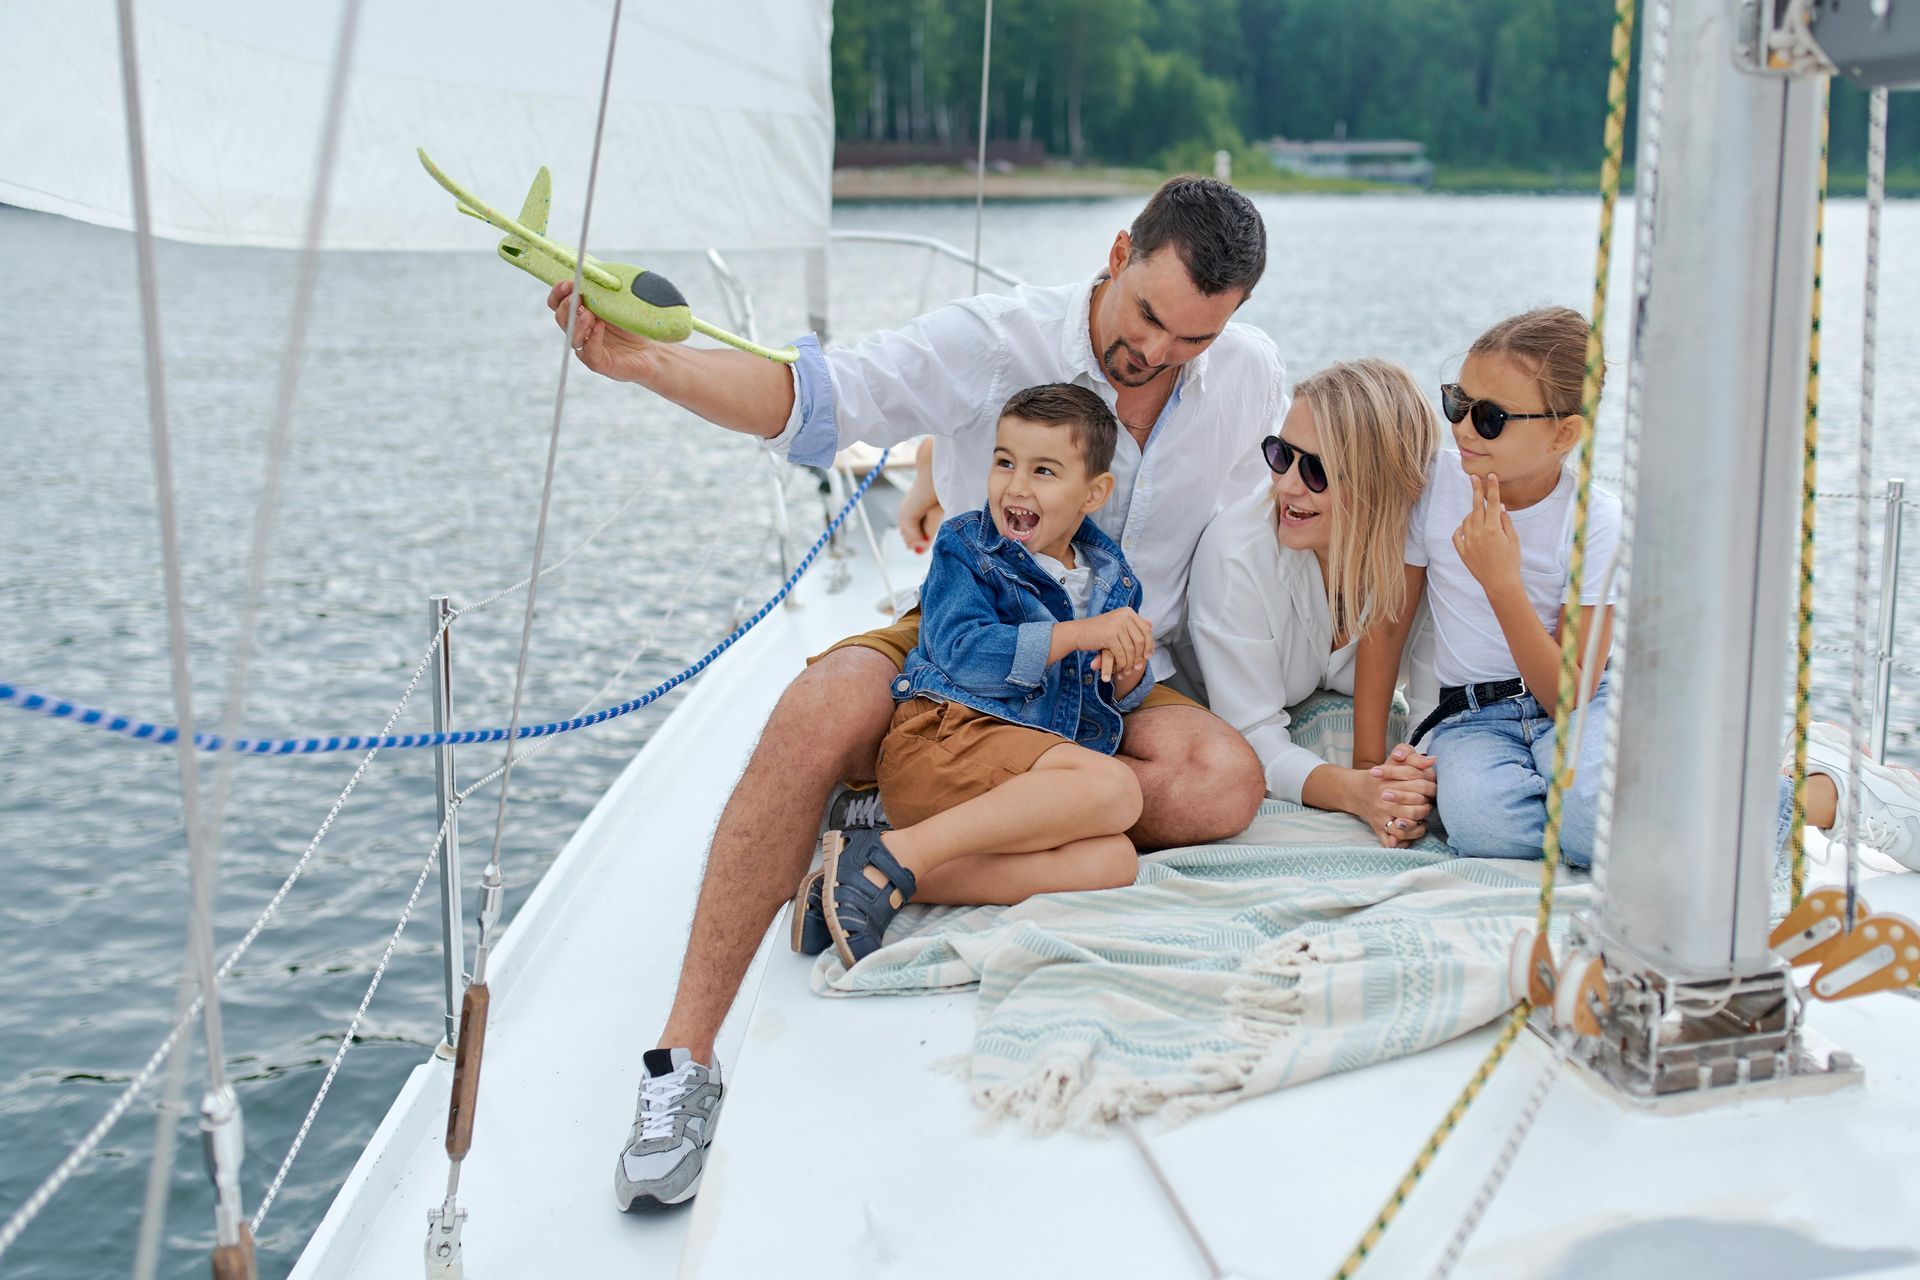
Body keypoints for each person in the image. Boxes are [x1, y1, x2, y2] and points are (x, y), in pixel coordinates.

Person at [582, 176, 1281, 1212]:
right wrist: (651, 365)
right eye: (1148, 318)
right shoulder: (994, 339)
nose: (1159, 356)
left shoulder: (1251, 377)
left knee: (1223, 783)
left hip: (1116, 669)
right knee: (817, 710)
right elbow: (818, 398)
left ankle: (887, 836)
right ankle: (681, 1062)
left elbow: (1254, 530)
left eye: (1195, 342)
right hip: (971, 642)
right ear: (1120, 248)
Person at [1355, 307, 1920, 868]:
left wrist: (1502, 583)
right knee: (1483, 825)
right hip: (1469, 715)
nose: (1460, 427)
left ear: (1564, 434)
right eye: (1457, 402)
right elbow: (1385, 629)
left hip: (1580, 706)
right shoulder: (1433, 490)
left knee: (1588, 814)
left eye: (1490, 418)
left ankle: (1822, 792)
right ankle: (1640, 809)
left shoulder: (1596, 523)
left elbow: (1569, 696)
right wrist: (1365, 771)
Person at [813, 384, 1154, 967]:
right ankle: (893, 857)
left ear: (1093, 493)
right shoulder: (968, 546)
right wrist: (1078, 635)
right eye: (1004, 462)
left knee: (1115, 860)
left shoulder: (1112, 578)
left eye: (1044, 470)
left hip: (1006, 780)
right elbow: (962, 651)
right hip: (946, 740)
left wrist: (1127, 676)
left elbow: (1103, 695)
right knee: (1119, 789)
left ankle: (866, 871)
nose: (1016, 485)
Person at [1186, 359, 1442, 847]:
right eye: (1282, 454)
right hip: (1206, 722)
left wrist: (1404, 787)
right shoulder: (1237, 551)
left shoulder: (1425, 560)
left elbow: (1428, 712)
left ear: (1380, 483)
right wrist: (1356, 793)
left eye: (1317, 470)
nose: (1285, 484)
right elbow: (1253, 735)